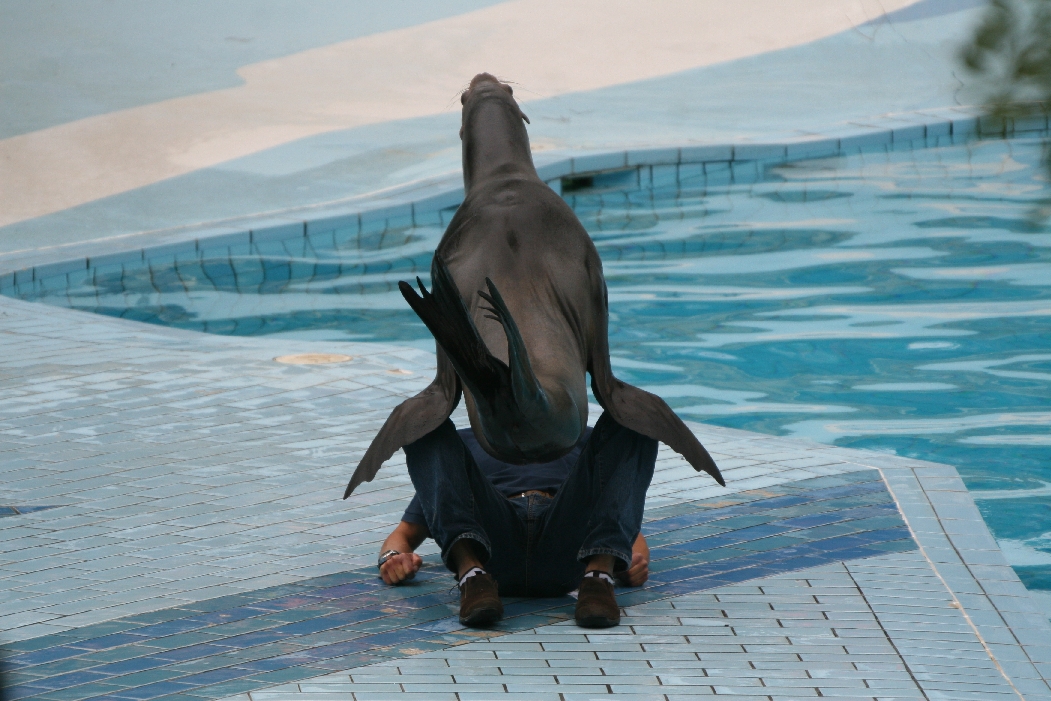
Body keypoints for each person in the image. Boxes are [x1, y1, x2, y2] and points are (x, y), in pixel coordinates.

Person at [375, 412, 657, 628]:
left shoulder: (587, 441)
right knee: (422, 418)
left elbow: (631, 532)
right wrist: (392, 558)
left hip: (566, 543)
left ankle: (599, 577)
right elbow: (405, 534)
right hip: (490, 547)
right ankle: (471, 576)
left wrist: (628, 563)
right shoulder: (460, 444)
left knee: (632, 416)